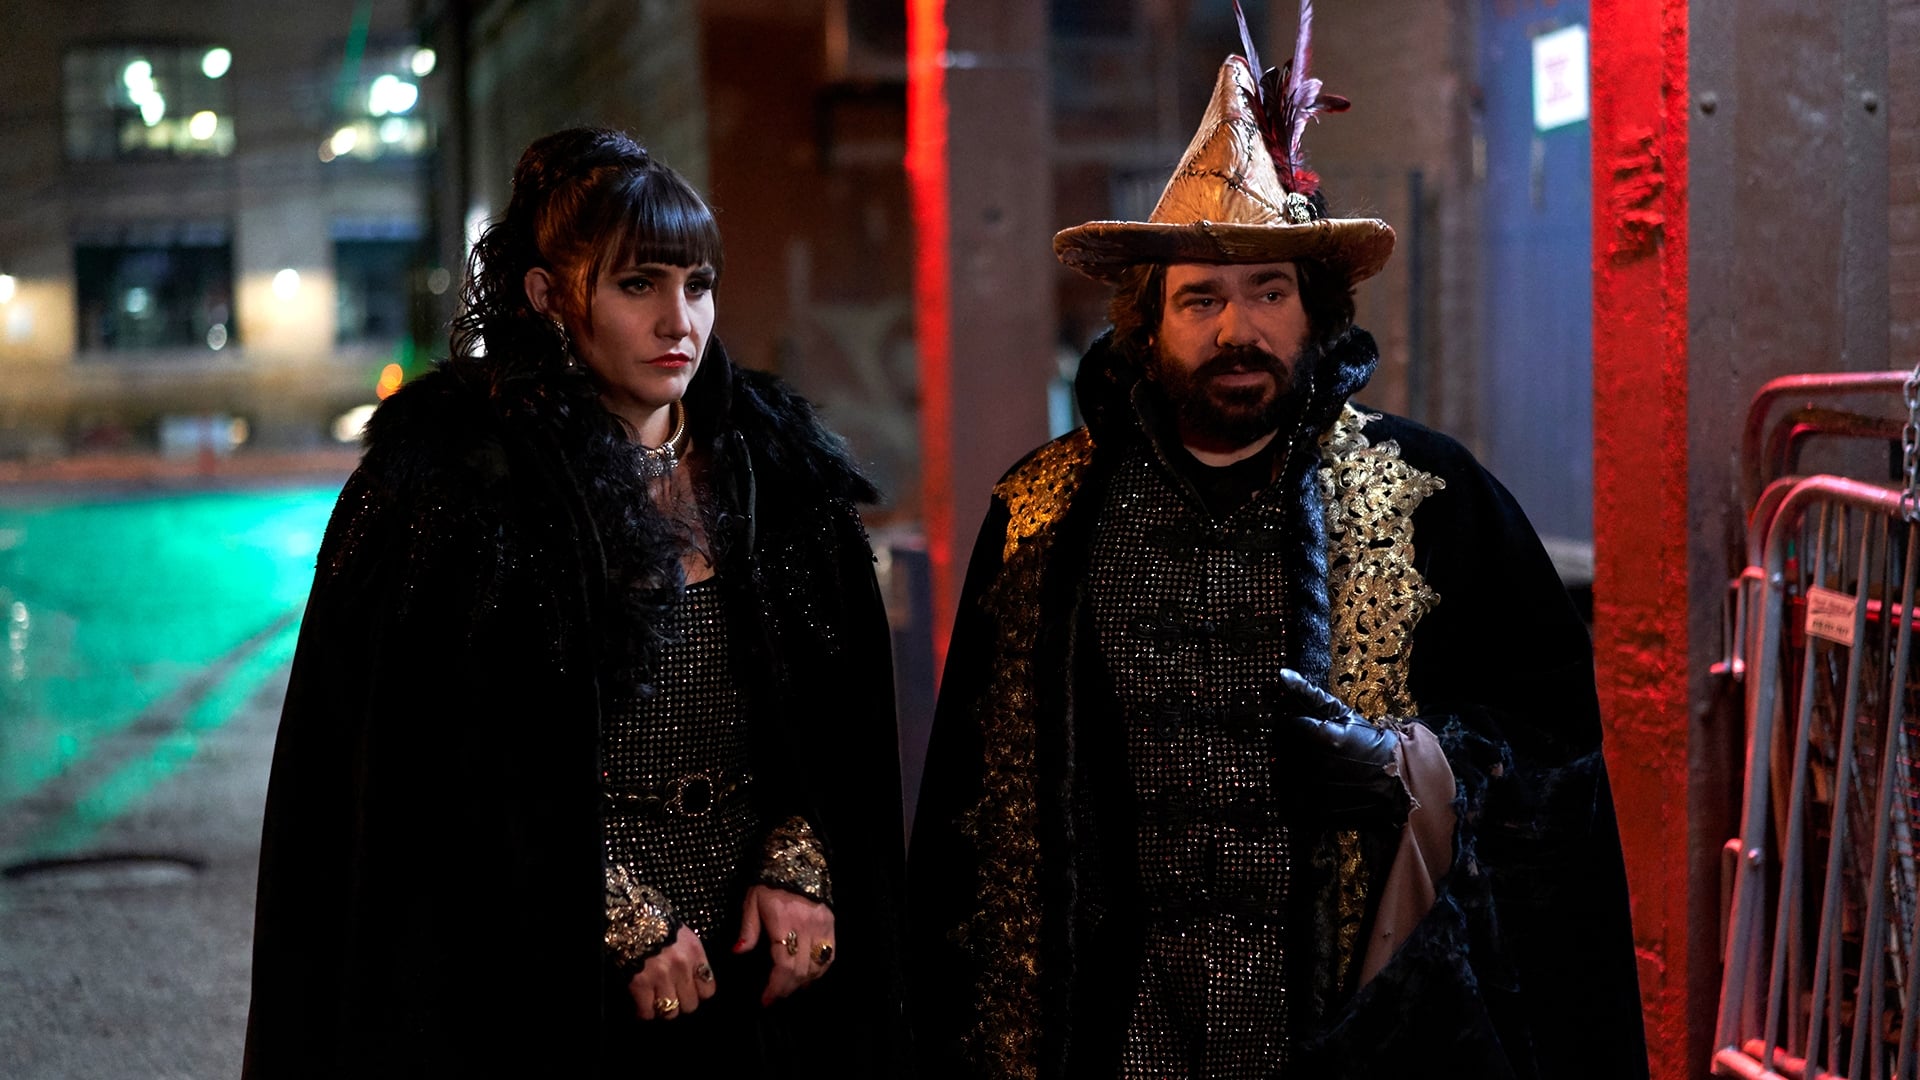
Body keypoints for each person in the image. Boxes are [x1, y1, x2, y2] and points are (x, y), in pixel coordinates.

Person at [906, 26, 1648, 1080]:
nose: (1236, 329)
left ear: (1314, 311)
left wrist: (1405, 766)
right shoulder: (1044, 514)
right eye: (1200, 299)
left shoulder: (1433, 497)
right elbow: (969, 813)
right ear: (1147, 326)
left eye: (1267, 291)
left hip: (1355, 1030)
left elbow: (1555, 749)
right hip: (1121, 1033)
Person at [243, 128, 910, 1077]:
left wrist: (801, 859)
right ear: (549, 296)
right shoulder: (454, 486)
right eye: (638, 285)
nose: (678, 321)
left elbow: (838, 722)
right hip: (535, 983)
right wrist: (611, 915)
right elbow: (417, 771)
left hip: (762, 972)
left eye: (698, 285)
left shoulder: (777, 471)